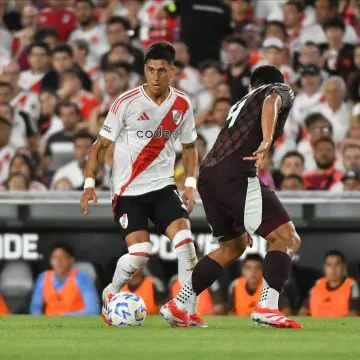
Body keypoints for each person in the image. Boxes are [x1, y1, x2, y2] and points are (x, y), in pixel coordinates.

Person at [161, 65, 302, 328]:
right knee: (286, 238)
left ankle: (179, 304)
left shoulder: (239, 104)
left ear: (251, 86)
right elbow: (272, 99)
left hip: (209, 177)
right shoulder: (275, 91)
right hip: (236, 176)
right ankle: (268, 307)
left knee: (232, 247)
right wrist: (268, 140)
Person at [80, 42, 206, 328]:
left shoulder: (182, 104)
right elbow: (100, 146)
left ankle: (186, 309)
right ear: (144, 70)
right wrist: (89, 184)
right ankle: (111, 292)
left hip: (162, 187)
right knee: (141, 254)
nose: (156, 76)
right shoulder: (126, 102)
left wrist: (189, 184)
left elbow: (190, 148)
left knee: (186, 243)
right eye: (151, 70)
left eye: (163, 70)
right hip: (128, 191)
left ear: (172, 72)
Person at [30, 243, 100, 315]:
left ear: (71, 260)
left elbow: (93, 310)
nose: (58, 261)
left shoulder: (82, 278)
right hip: (49, 323)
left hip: (76, 323)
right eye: (54, 257)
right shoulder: (43, 278)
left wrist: (62, 317)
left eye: (63, 257)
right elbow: (35, 308)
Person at [299, 250, 360, 317]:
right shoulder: (317, 284)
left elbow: (354, 314)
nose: (333, 269)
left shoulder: (352, 285)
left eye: (337, 264)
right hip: (315, 326)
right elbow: (303, 311)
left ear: (344, 267)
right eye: (329, 265)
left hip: (341, 326)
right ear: (324, 267)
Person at [69, 0, 109, 65]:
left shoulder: (105, 29)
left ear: (94, 10)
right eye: (78, 9)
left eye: (85, 8)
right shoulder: (73, 35)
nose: (81, 13)